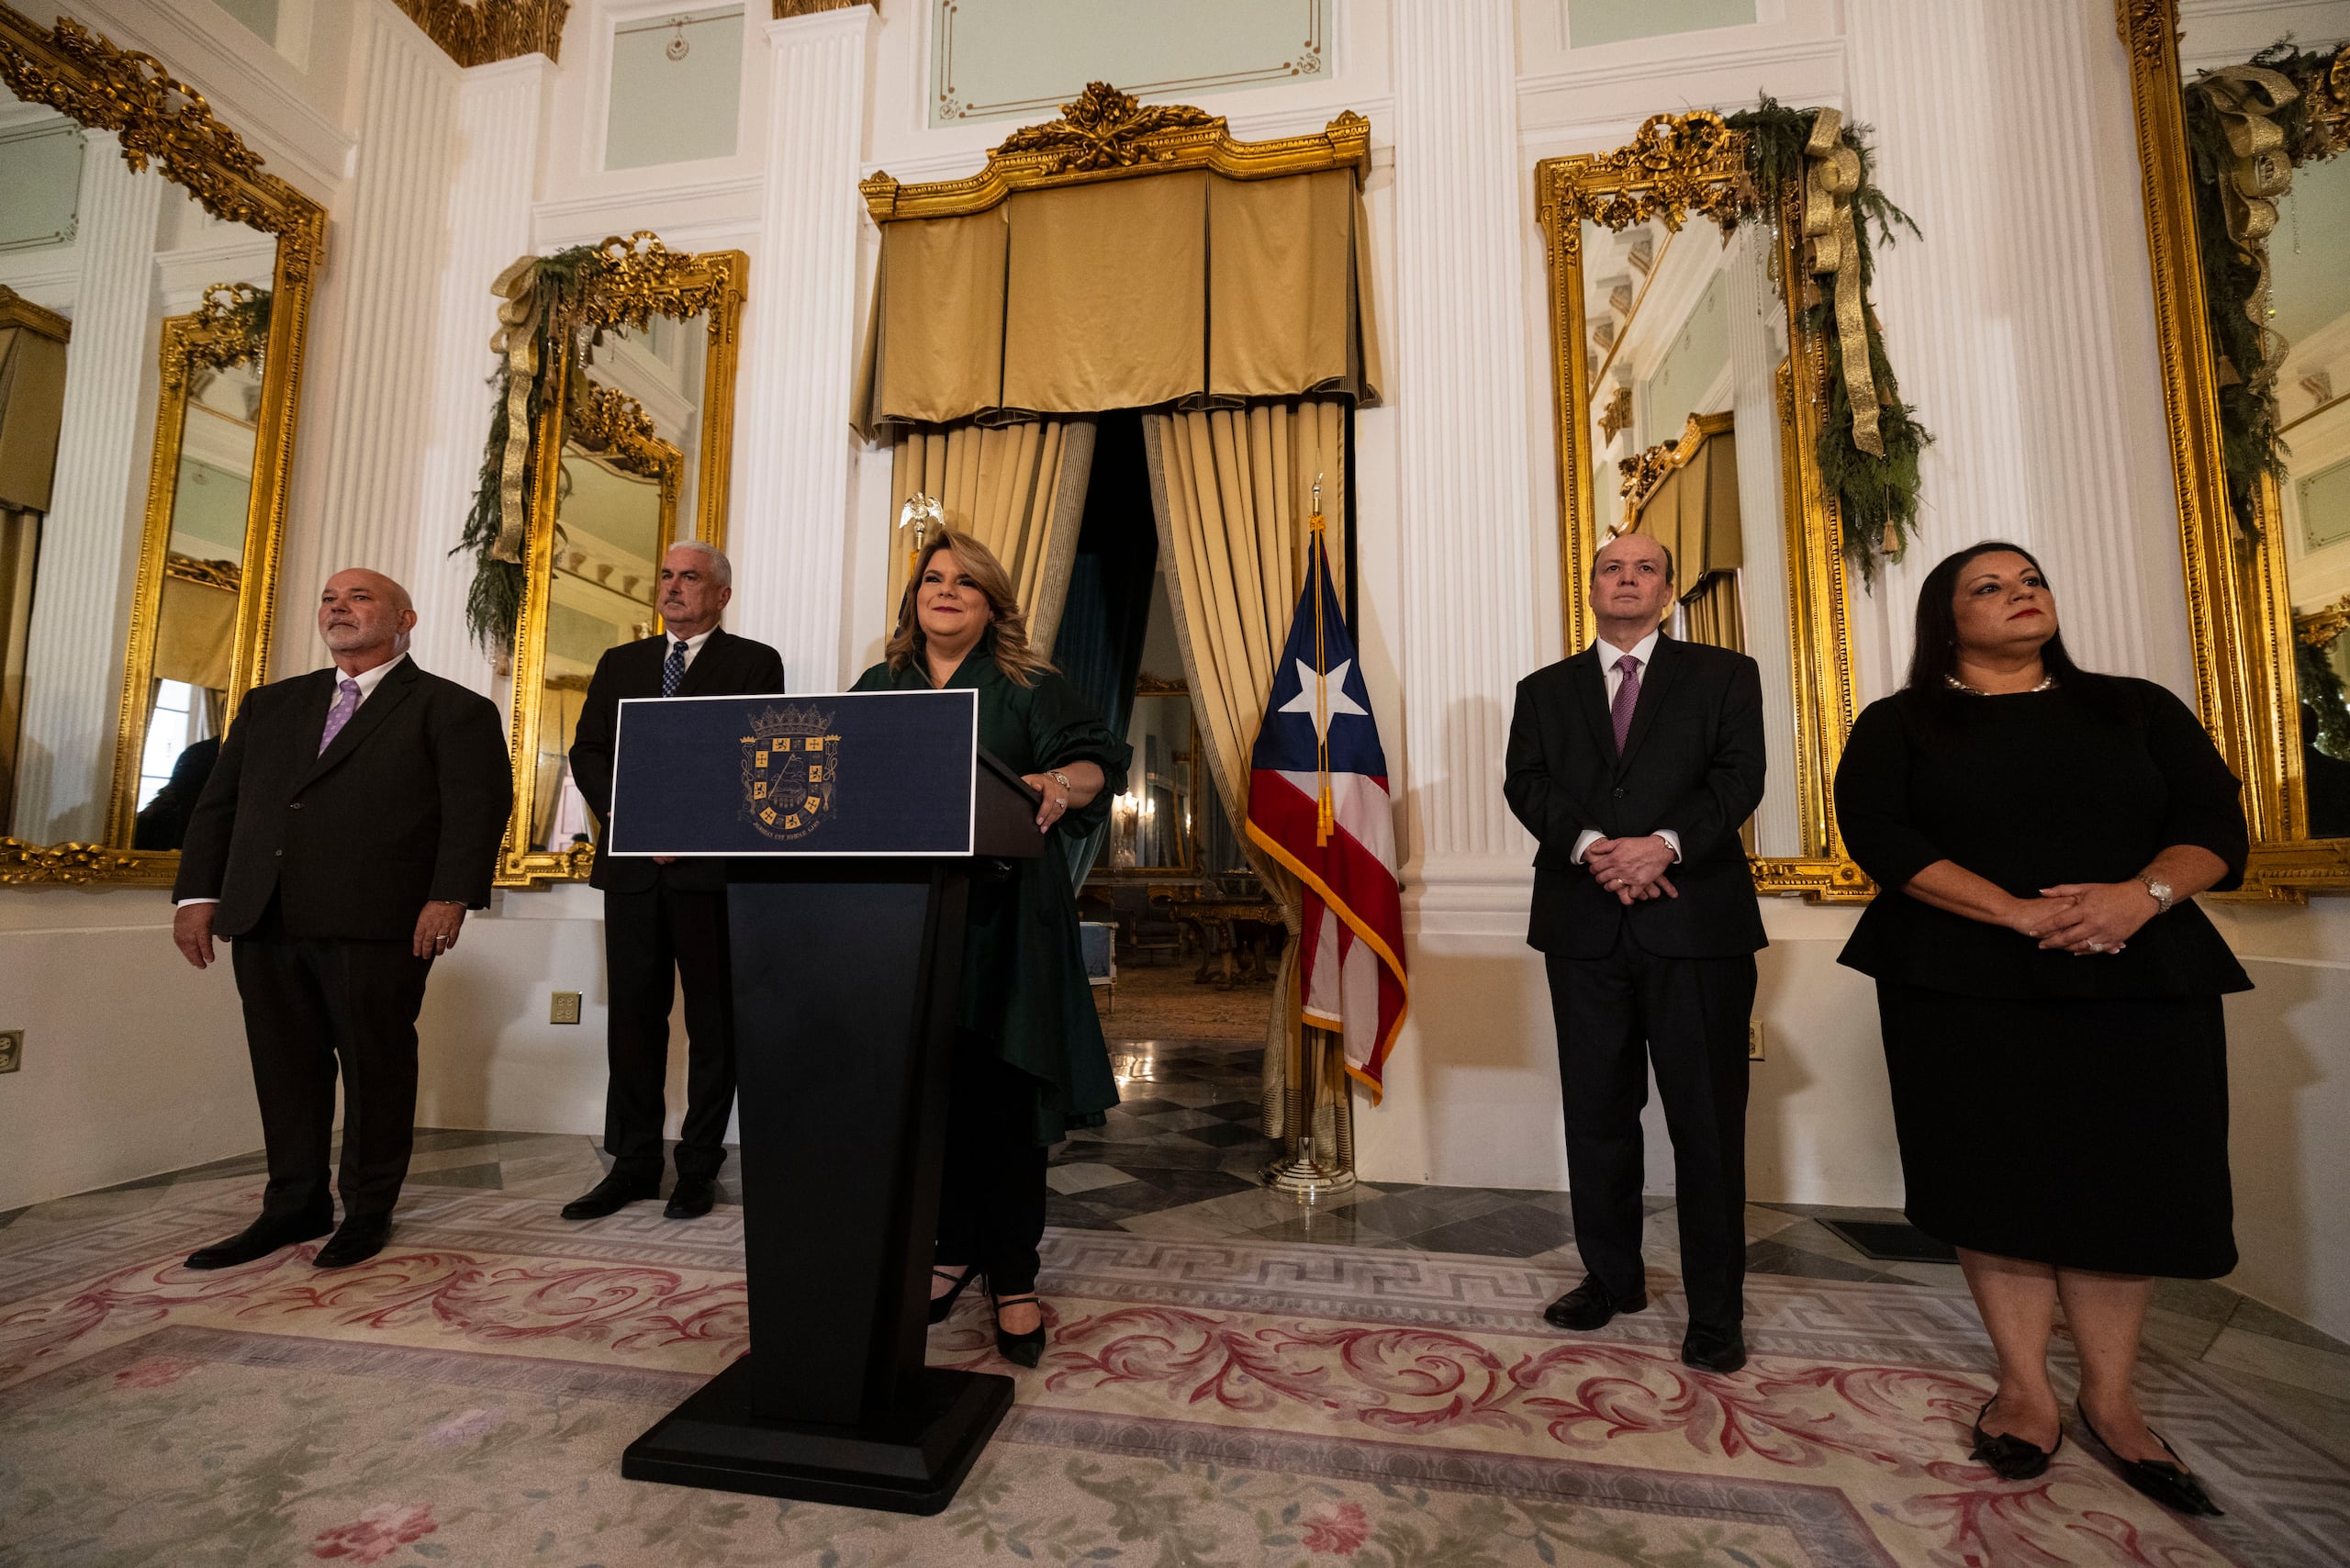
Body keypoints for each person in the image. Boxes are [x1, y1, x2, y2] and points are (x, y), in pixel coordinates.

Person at [1834, 540, 2248, 1517]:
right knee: (1994, 1176)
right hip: (1963, 979)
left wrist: (2137, 898)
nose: (2020, 596)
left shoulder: (2134, 704)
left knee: (2127, 1179)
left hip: (2138, 970)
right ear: (1948, 618)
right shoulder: (1899, 724)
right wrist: (2016, 913)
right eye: (1990, 587)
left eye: (2030, 581)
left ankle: (2111, 1399)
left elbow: (2216, 824)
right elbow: (1882, 838)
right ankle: (2023, 1387)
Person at [171, 569, 510, 1271]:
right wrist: (195, 894)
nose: (339, 607)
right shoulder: (272, 705)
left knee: (375, 1067)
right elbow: (220, 807)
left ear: (405, 619)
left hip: (379, 921)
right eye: (329, 597)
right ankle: (293, 1202)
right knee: (284, 1068)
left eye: (359, 598)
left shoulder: (453, 709)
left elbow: (476, 814)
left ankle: (367, 1209)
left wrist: (450, 896)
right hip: (265, 916)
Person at [853, 530, 1130, 1367]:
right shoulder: (879, 685)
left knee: (1006, 1105)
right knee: (932, 1098)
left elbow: (1094, 765)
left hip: (1007, 923)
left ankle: (1014, 1277)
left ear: (990, 604)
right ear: (915, 600)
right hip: (908, 921)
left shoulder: (1027, 685)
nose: (945, 592)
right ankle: (948, 1249)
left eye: (964, 584)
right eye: (932, 580)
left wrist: (1058, 782)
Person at [1503, 530, 1767, 1374]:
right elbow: (1527, 784)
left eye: (1645, 568)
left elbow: (1739, 777)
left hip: (1697, 925)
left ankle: (1716, 1313)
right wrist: (1592, 847)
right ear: (1591, 588)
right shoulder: (1543, 691)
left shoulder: (1725, 675)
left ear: (1667, 588)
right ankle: (1610, 1279)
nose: (1628, 578)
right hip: (1584, 925)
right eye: (1612, 567)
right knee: (1598, 1114)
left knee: (1707, 1124)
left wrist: (1662, 844)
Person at [562, 541, 786, 1221]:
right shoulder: (620, 662)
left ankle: (698, 1167)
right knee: (633, 1021)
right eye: (666, 575)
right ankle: (632, 1165)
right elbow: (588, 751)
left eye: (690, 577)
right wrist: (639, 816)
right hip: (633, 868)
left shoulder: (754, 662)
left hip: (710, 871)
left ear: (721, 594)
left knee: (714, 1025)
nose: (673, 587)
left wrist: (687, 822)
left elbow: (759, 752)